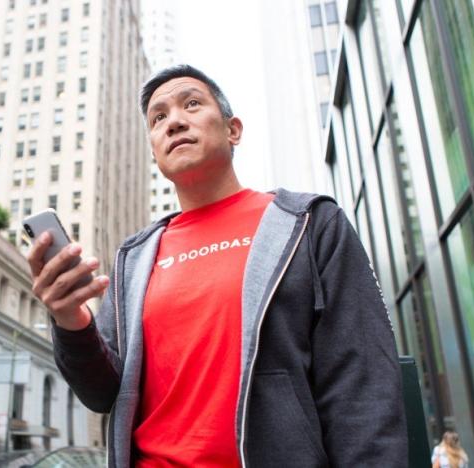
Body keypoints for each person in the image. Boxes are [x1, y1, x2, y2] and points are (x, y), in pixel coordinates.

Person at [27, 64, 408, 467]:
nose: (174, 122)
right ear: (155, 150)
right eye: (158, 118)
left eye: (191, 104)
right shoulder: (134, 258)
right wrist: (70, 319)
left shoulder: (310, 224)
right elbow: (103, 394)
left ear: (233, 130)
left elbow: (363, 388)